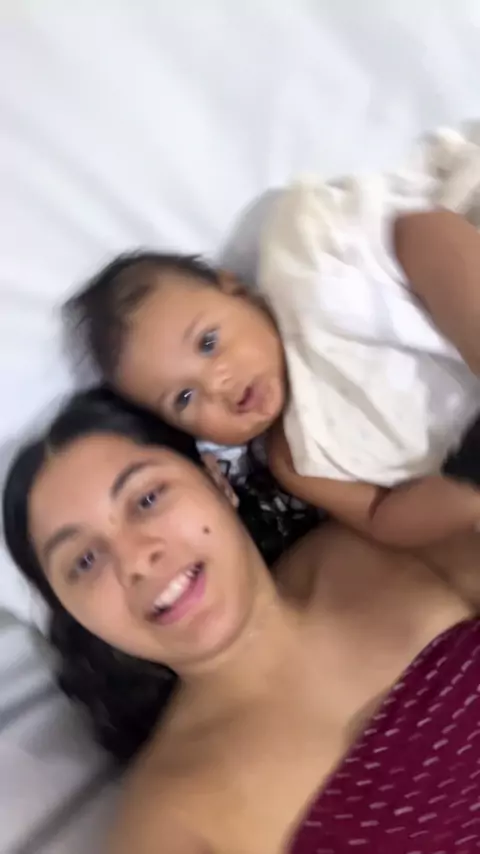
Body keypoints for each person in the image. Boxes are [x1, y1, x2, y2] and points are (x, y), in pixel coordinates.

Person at [4, 386, 480, 853]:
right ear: (78, 618)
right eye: (85, 561)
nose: (135, 561)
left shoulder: (378, 544)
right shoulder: (169, 821)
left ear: (217, 480)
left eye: (147, 499)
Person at [66, 137, 480, 548]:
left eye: (208, 343)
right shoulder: (293, 459)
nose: (218, 385)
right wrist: (465, 492)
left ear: (235, 290)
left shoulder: (299, 269)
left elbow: (425, 231)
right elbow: (380, 517)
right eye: (185, 397)